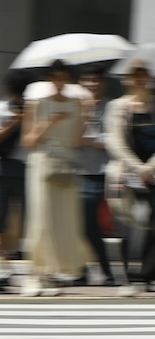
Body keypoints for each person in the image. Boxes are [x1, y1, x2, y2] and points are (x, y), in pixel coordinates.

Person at [104, 59, 155, 296]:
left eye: (143, 75)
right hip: (127, 174)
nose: (139, 80)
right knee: (127, 228)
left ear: (150, 79)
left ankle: (147, 273)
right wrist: (139, 168)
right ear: (127, 80)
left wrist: (153, 167)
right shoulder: (117, 107)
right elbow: (115, 142)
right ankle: (129, 280)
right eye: (134, 76)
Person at [19, 60, 90, 296]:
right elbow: (28, 141)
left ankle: (50, 274)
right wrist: (50, 122)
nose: (59, 82)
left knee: (64, 220)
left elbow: (78, 141)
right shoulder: (37, 103)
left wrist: (86, 115)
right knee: (41, 219)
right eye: (55, 77)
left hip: (66, 163)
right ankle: (34, 274)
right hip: (42, 163)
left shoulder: (77, 104)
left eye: (63, 77)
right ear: (49, 79)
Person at [77, 67, 117, 286]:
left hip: (100, 171)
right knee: (79, 223)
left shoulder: (111, 107)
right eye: (88, 79)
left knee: (88, 221)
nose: (92, 84)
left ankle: (101, 269)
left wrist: (88, 140)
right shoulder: (75, 105)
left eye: (96, 80)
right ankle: (87, 271)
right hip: (73, 170)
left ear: (104, 83)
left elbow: (114, 139)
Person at [0, 76, 27, 289]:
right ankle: (4, 264)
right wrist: (16, 121)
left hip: (25, 168)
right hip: (4, 168)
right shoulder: (2, 109)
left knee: (21, 220)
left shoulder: (32, 109)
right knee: (2, 219)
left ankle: (8, 262)